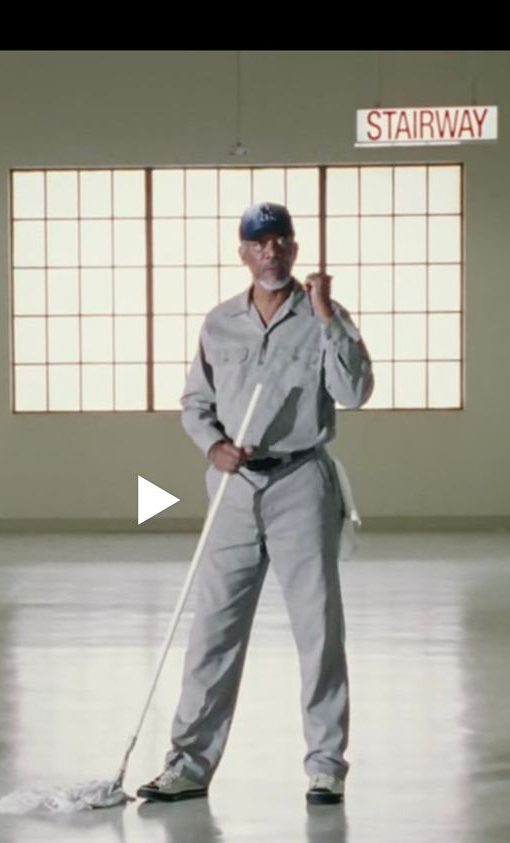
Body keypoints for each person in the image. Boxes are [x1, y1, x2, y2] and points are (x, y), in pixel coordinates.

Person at [137, 202, 373, 807]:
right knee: (213, 630)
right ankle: (188, 764)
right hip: (235, 490)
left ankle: (326, 767)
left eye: (282, 240)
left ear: (294, 249)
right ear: (242, 252)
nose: (272, 251)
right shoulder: (219, 324)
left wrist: (327, 320)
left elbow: (355, 392)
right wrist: (213, 446)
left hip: (301, 483)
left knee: (318, 629)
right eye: (259, 242)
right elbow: (195, 402)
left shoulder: (325, 317)